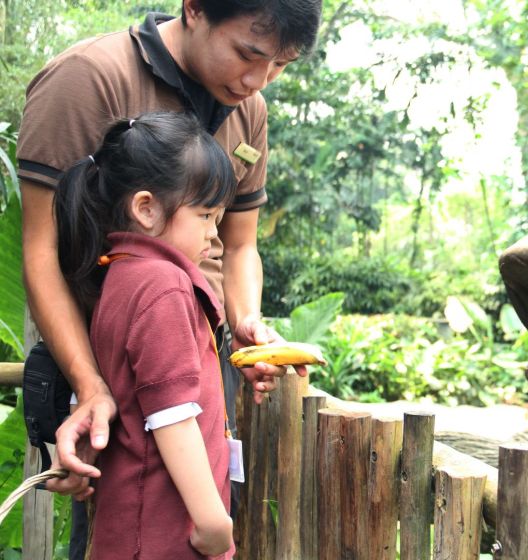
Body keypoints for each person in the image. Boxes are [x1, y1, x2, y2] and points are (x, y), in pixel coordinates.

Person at [17, 0, 322, 503]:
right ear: (195, 9)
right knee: (126, 519)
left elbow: (240, 244)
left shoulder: (250, 111)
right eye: (248, 54)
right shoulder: (88, 78)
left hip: (203, 357)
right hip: (115, 365)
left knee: (203, 513)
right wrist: (90, 385)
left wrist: (245, 323)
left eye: (280, 64)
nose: (258, 81)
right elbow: (41, 252)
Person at [54, 111, 237, 559]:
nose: (214, 234)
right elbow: (171, 415)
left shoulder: (119, 278)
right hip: (164, 537)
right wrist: (214, 523)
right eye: (205, 215)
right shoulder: (163, 284)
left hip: (131, 532)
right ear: (146, 208)